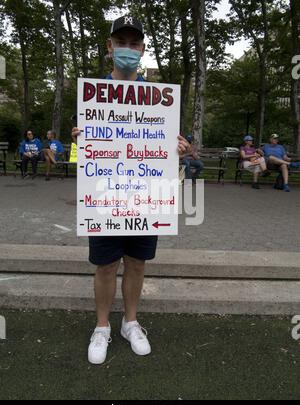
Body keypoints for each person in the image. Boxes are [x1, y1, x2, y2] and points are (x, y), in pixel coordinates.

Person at [72, 15, 190, 365]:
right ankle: (102, 327)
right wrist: (79, 143)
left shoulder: (160, 98)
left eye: (134, 43)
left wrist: (180, 147)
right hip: (105, 196)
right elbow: (82, 155)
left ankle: (131, 322)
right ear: (109, 47)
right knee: (106, 265)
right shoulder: (93, 95)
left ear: (142, 49)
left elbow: (166, 143)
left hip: (146, 195)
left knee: (137, 263)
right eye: (120, 42)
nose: (127, 49)